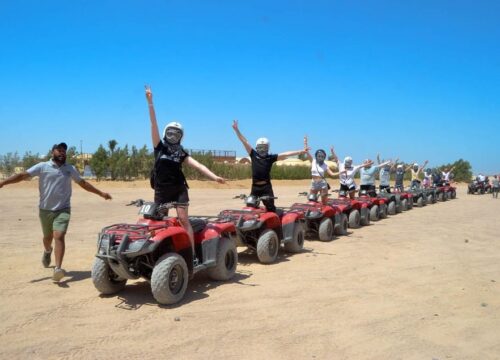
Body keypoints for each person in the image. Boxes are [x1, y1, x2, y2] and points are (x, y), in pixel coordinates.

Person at [0, 142, 112, 282]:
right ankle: (47, 251)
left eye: (64, 150)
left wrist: (101, 193)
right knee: (47, 238)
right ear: (52, 152)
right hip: (45, 210)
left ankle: (58, 268)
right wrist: (4, 182)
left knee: (59, 236)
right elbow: (23, 175)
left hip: (63, 209)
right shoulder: (42, 166)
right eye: (59, 150)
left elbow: (83, 183)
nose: (62, 152)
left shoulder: (69, 169)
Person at [145, 85, 225, 265]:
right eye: (170, 132)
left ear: (181, 136)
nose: (173, 135)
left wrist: (214, 177)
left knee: (183, 219)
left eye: (176, 133)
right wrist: (150, 103)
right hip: (161, 190)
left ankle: (191, 255)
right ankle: (161, 252)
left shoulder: (181, 153)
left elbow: (198, 165)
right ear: (166, 133)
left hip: (179, 189)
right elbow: (153, 124)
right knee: (159, 221)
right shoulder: (159, 146)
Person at [232, 120, 308, 212]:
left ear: (268, 148)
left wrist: (300, 151)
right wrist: (236, 130)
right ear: (256, 148)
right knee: (250, 208)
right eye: (260, 147)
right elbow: (244, 141)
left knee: (271, 209)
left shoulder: (270, 157)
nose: (262, 150)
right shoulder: (253, 154)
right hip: (255, 188)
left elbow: (285, 154)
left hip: (266, 188)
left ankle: (277, 225)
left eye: (264, 148)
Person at [303, 137, 341, 204]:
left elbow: (332, 174)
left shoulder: (325, 165)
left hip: (322, 184)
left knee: (324, 202)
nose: (320, 158)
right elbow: (306, 152)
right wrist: (305, 143)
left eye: (322, 156)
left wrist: (340, 172)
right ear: (316, 156)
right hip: (314, 183)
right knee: (311, 200)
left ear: (324, 157)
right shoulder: (313, 161)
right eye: (319, 156)